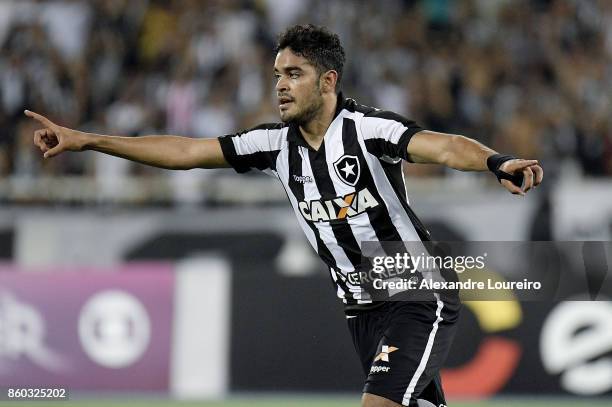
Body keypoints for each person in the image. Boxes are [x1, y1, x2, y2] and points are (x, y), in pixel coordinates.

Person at [26, 24, 542, 407]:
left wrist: (495, 162)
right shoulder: (272, 145)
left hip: (416, 294)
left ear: (327, 81)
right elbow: (185, 151)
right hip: (361, 310)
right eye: (277, 75)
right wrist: (88, 140)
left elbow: (444, 147)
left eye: (294, 74)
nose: (281, 86)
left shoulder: (366, 130)